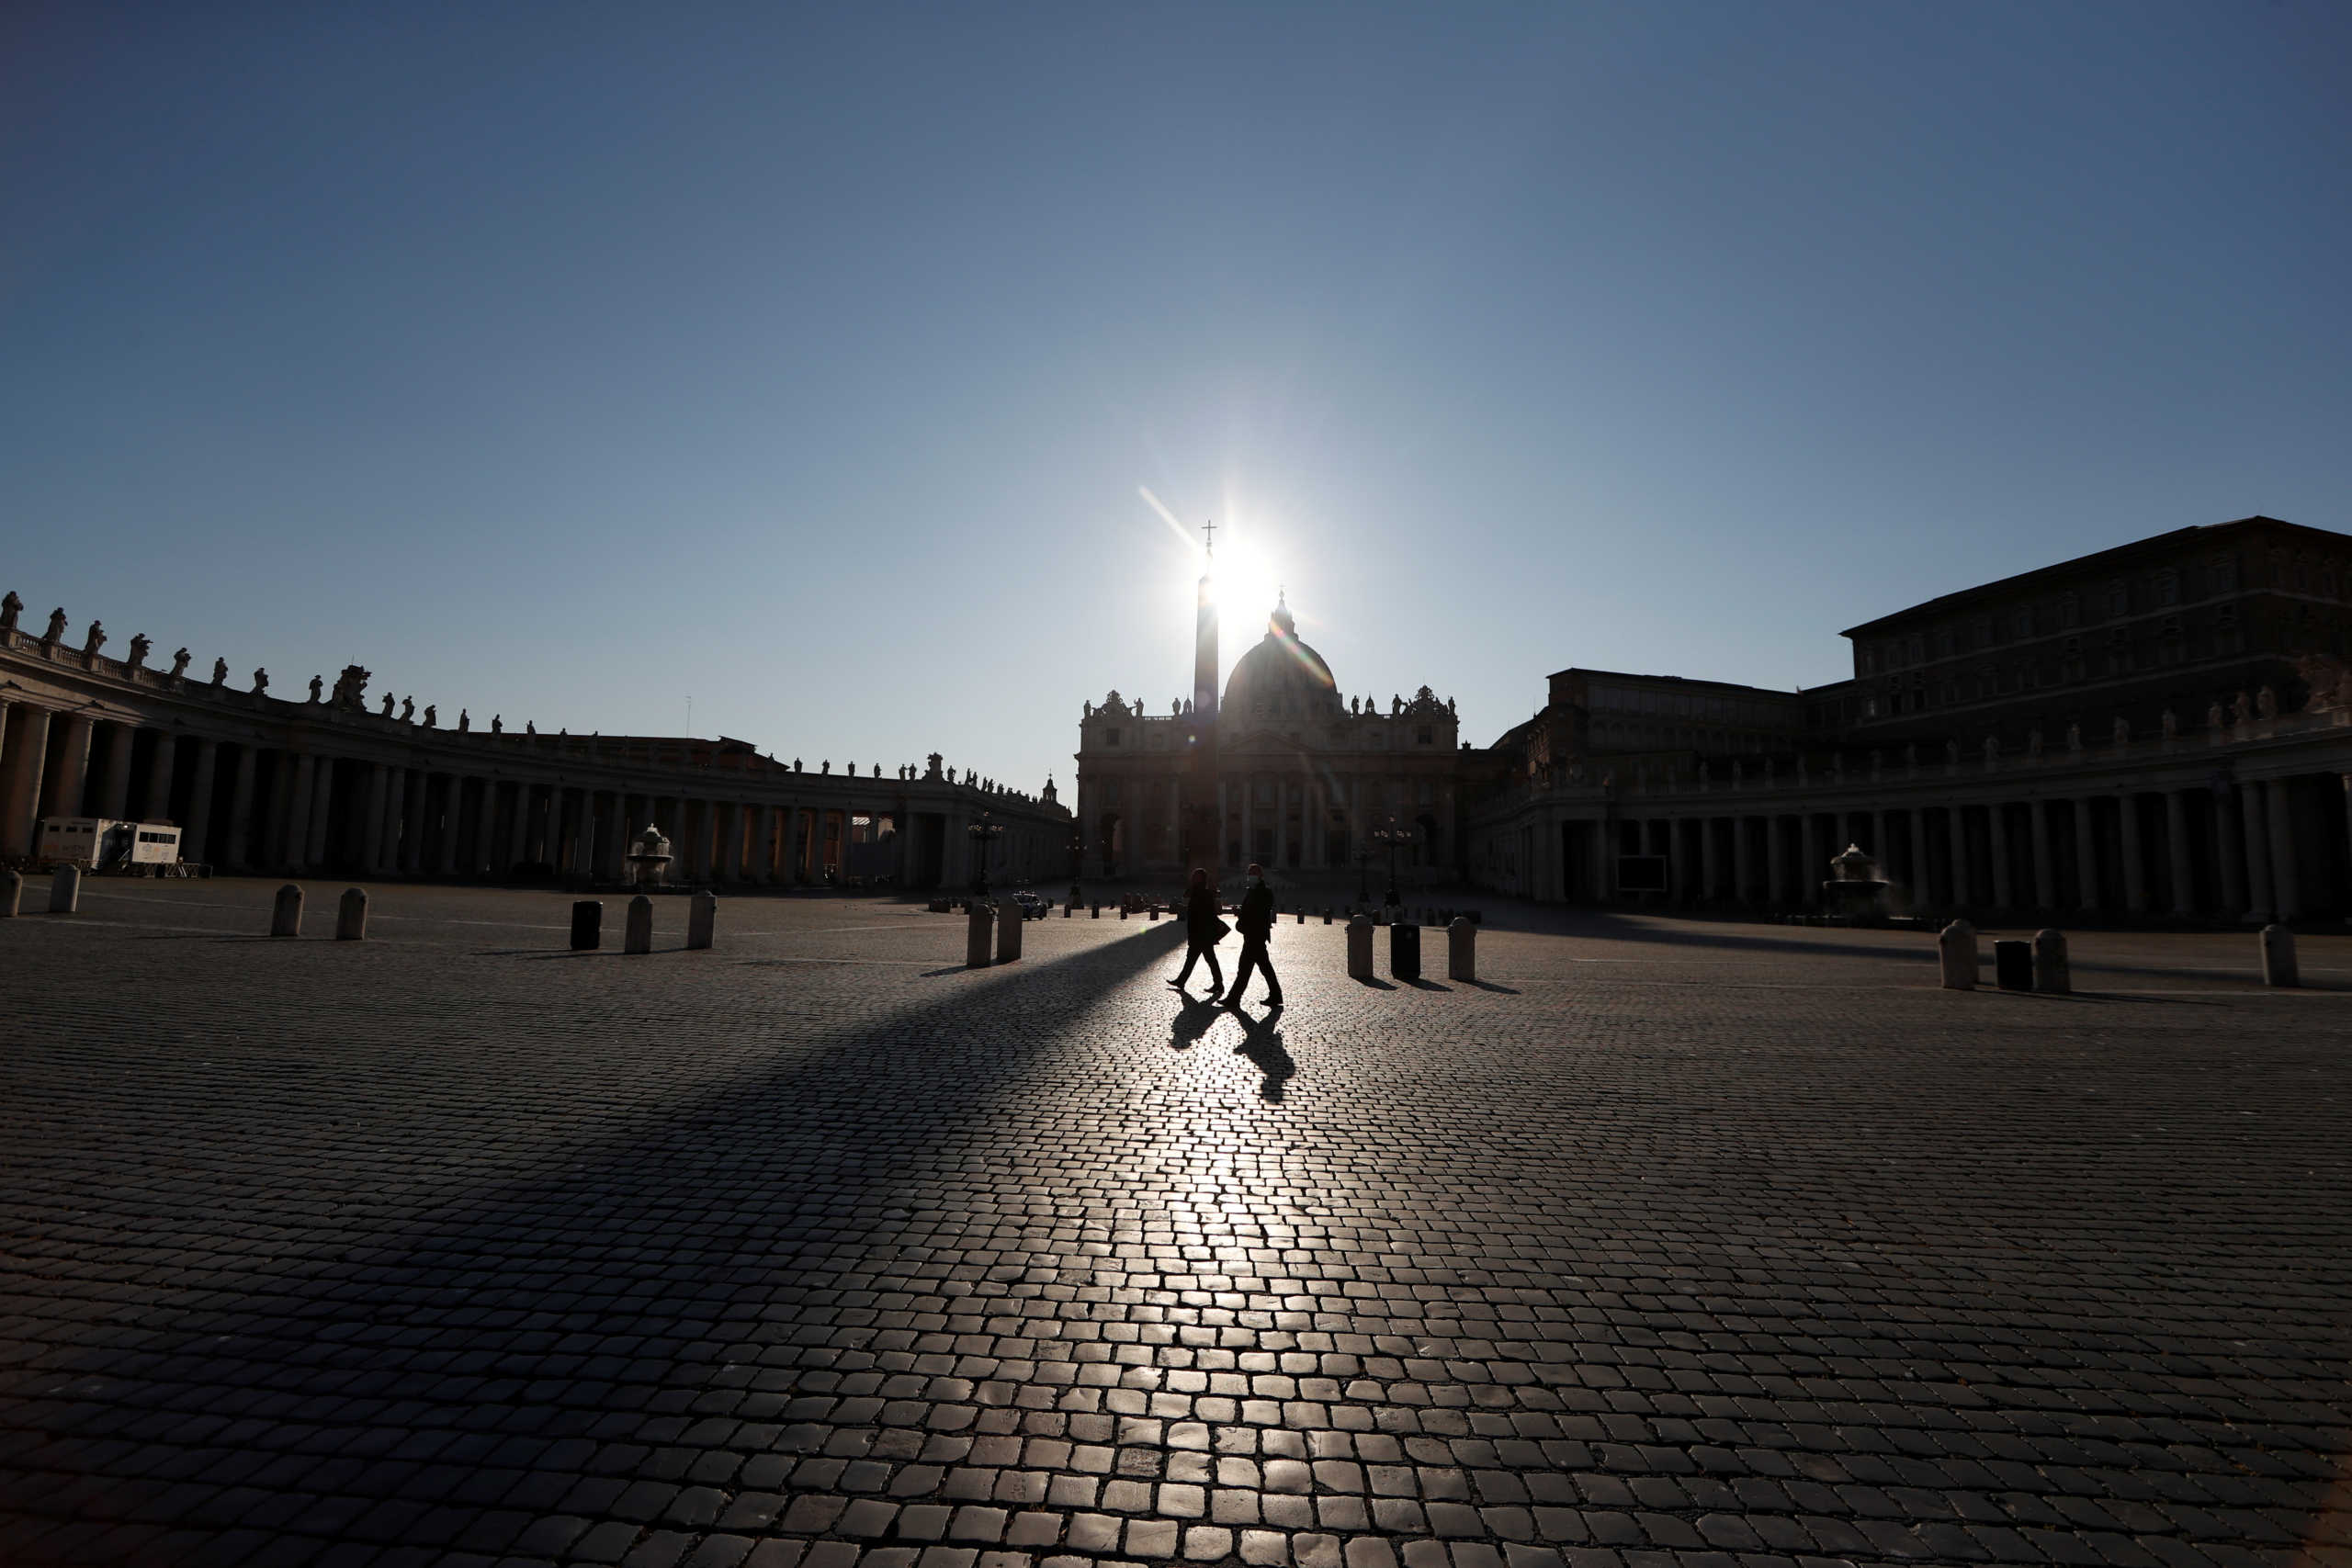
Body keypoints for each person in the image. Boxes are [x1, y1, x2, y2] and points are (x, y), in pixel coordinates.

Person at [1224, 863, 1283, 1009]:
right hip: (1252, 935)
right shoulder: (1252, 890)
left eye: (1253, 873)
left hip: (1256, 934)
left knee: (1247, 968)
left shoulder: (1264, 891)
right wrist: (1241, 912)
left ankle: (1233, 998)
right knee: (1260, 968)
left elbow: (1260, 911)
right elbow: (1250, 910)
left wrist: (1244, 914)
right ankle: (1275, 995)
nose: (1250, 876)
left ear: (1260, 875)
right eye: (1249, 872)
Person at [1170, 868, 1227, 997]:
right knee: (1202, 959)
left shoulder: (1205, 894)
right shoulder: (1196, 891)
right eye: (1193, 876)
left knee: (1203, 959)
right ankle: (1216, 984)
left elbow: (1208, 914)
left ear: (1201, 879)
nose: (1193, 878)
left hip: (1202, 933)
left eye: (1196, 877)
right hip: (1199, 932)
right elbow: (1185, 895)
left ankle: (1217, 984)